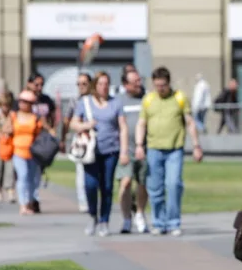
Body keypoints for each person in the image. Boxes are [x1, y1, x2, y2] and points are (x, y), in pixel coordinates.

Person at [134, 66, 203, 236]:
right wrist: (138, 145)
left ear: (168, 83)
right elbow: (141, 124)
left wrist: (196, 146)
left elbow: (190, 122)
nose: (160, 89)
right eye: (157, 85)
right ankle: (159, 222)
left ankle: (173, 222)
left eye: (163, 85)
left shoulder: (179, 98)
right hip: (153, 149)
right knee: (155, 188)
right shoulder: (149, 99)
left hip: (174, 149)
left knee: (173, 185)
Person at [69, 71, 129, 237]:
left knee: (107, 186)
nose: (103, 87)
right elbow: (74, 123)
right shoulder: (85, 102)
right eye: (100, 84)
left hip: (111, 149)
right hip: (91, 151)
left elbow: (122, 127)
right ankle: (92, 216)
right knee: (90, 185)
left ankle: (104, 221)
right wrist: (86, 125)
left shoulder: (115, 103)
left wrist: (124, 151)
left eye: (106, 84)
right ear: (95, 85)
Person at [4, 90, 56, 215]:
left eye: (27, 102)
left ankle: (30, 202)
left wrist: (51, 135)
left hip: (33, 152)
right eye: (22, 101)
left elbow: (47, 129)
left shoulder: (36, 117)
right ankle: (23, 204)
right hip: (18, 151)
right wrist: (9, 130)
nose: (23, 104)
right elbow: (5, 128)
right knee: (23, 176)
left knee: (33, 179)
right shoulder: (14, 116)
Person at [16, 72, 57, 213]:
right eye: (36, 84)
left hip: (41, 143)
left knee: (36, 173)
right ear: (29, 84)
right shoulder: (22, 101)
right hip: (23, 145)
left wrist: (52, 131)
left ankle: (33, 199)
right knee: (24, 174)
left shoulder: (46, 100)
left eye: (41, 85)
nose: (39, 87)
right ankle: (26, 202)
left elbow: (52, 117)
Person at [115, 69, 149, 234]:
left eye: (139, 80)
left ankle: (140, 214)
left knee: (143, 184)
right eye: (135, 81)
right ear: (125, 85)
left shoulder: (147, 98)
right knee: (125, 182)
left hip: (144, 149)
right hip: (126, 150)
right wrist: (122, 150)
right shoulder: (119, 101)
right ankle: (126, 218)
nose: (139, 84)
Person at [61, 72, 93, 213]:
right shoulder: (75, 101)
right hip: (81, 140)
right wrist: (63, 138)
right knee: (81, 171)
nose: (81, 86)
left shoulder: (95, 100)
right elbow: (67, 120)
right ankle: (83, 202)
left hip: (95, 138)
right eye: (79, 84)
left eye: (84, 83)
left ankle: (94, 199)